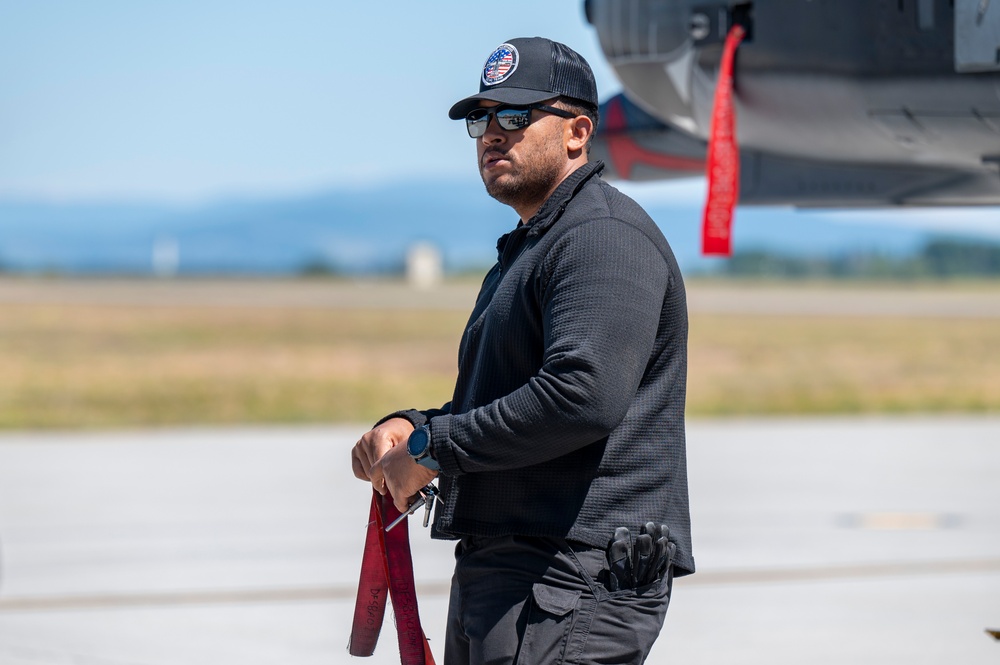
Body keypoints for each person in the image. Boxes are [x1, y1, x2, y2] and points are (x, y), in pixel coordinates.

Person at [352, 37, 693, 665]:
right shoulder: (539, 243)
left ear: (578, 132)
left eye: (515, 116)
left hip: (570, 577)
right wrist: (414, 428)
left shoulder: (602, 239)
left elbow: (580, 398)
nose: (491, 135)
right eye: (480, 120)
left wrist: (434, 451)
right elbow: (508, 398)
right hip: (516, 575)